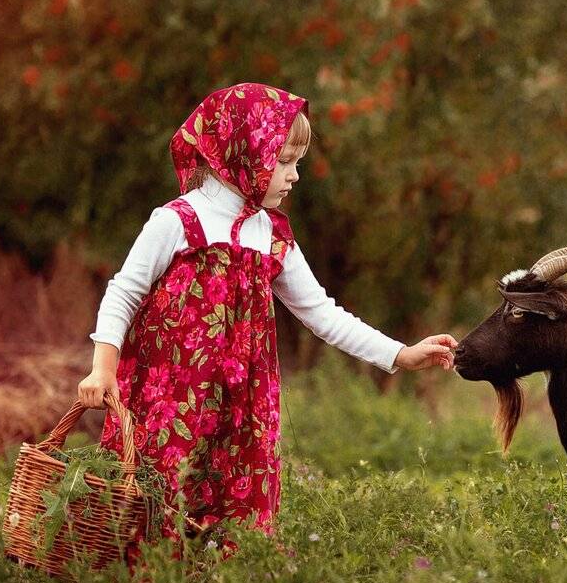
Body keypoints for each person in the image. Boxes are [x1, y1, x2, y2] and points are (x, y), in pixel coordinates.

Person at [77, 81, 456, 538]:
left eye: (295, 162)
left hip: (243, 410)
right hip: (172, 401)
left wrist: (400, 354)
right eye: (283, 161)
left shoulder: (272, 235)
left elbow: (322, 313)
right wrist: (103, 369)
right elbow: (124, 292)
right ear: (243, 153)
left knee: (230, 522)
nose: (294, 175)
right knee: (157, 504)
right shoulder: (179, 221)